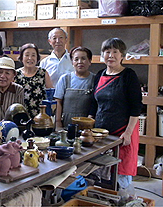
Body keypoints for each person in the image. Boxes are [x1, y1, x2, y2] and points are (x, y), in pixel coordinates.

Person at [89, 38, 142, 189]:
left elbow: (136, 107)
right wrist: (89, 124)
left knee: (119, 177)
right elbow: (94, 103)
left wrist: (128, 132)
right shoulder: (99, 75)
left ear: (122, 55)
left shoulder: (128, 75)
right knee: (99, 174)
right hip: (101, 133)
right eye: (107, 52)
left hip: (122, 133)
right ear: (102, 55)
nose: (110, 55)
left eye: (115, 52)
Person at [54, 46, 95, 131]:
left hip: (88, 127)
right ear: (72, 62)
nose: (80, 62)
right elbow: (58, 102)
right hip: (66, 124)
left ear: (90, 61)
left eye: (83, 59)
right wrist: (58, 123)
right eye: (76, 59)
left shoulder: (95, 80)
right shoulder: (65, 79)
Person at [15, 43, 52, 118]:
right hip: (20, 115)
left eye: (33, 55)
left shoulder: (43, 73)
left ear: (37, 58)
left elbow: (50, 95)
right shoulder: (16, 74)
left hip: (41, 116)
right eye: (27, 55)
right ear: (21, 57)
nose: (30, 58)